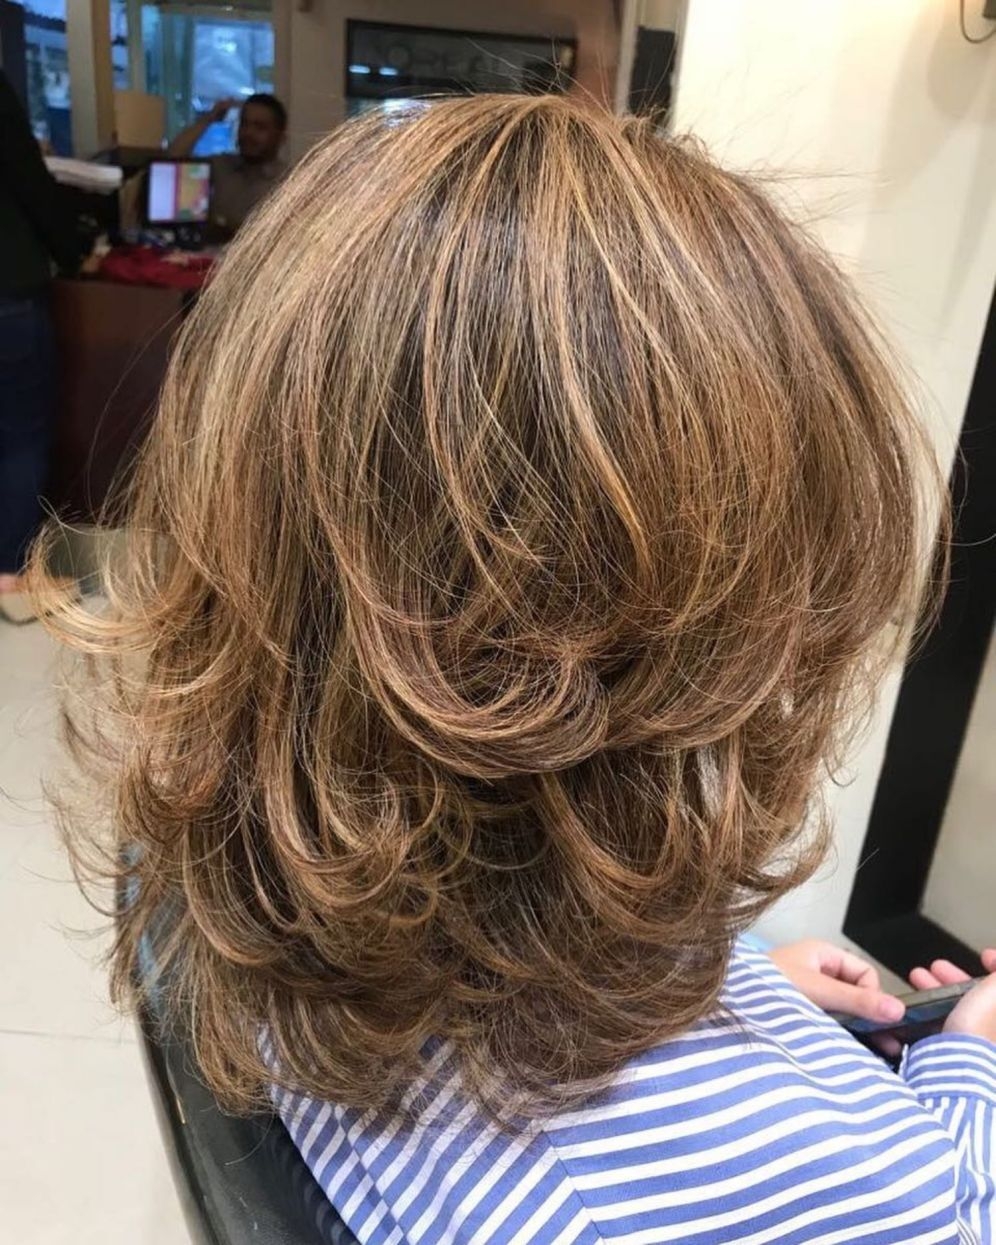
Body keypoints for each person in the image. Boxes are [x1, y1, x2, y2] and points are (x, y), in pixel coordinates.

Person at [33, 96, 996, 1243]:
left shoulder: (237, 887)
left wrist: (746, 988)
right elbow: (950, 1200)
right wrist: (972, 1057)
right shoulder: (877, 1192)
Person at [0, 70, 83, 610]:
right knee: (21, 437)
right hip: (6, 285)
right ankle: (9, 575)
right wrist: (74, 251)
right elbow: (27, 178)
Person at [167, 92, 288, 236]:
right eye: (244, 124)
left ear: (280, 137)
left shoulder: (287, 182)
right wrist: (209, 118)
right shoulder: (222, 165)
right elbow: (173, 157)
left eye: (259, 127)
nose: (248, 133)